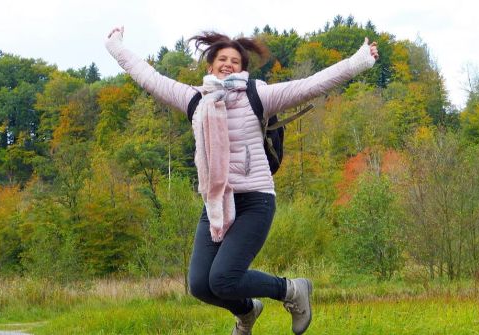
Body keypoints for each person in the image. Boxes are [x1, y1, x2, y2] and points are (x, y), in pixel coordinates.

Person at [105, 25, 378, 335]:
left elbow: (311, 85)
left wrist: (359, 61)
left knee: (223, 278)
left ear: (243, 69)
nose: (228, 64)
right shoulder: (195, 100)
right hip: (216, 203)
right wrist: (116, 46)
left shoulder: (257, 95)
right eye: (222, 59)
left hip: (254, 200)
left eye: (235, 61)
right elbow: (149, 78)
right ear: (210, 66)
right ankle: (247, 312)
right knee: (200, 285)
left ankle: (292, 290)